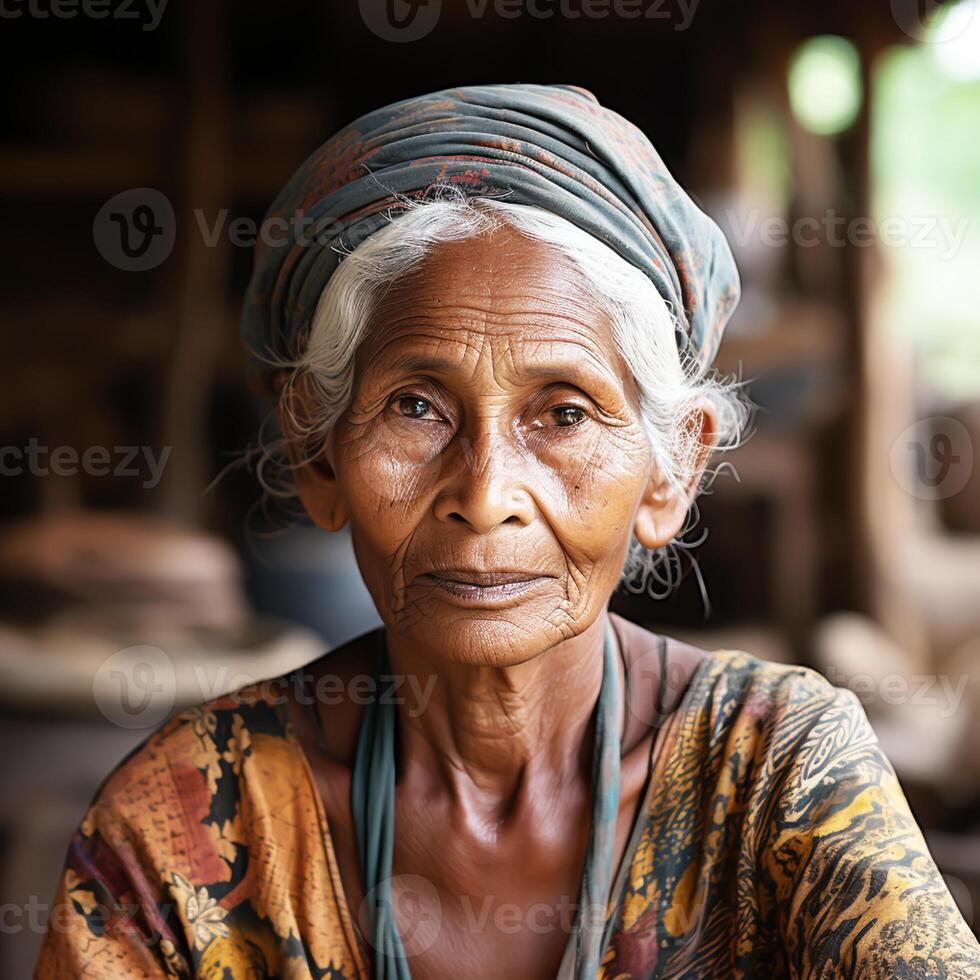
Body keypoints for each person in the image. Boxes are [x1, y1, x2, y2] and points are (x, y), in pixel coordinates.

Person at [36, 84, 980, 979]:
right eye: (415, 406)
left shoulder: (782, 767)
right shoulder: (183, 819)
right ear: (318, 459)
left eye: (564, 414)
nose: (485, 494)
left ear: (672, 469)